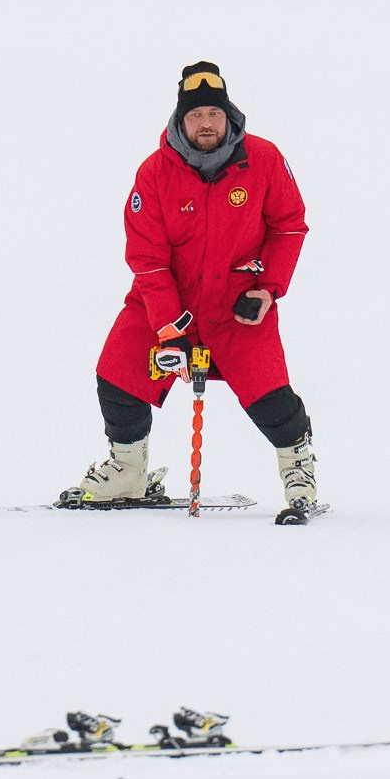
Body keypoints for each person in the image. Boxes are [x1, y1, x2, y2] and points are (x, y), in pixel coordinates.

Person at [65, 62, 317, 520]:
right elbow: (148, 257)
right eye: (196, 114)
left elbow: (288, 227)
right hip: (165, 306)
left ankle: (298, 469)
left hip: (239, 309)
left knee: (270, 396)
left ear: (229, 116)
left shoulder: (263, 160)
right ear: (181, 120)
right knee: (118, 375)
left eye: (214, 114)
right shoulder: (154, 173)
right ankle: (127, 470)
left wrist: (267, 289)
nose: (206, 123)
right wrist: (168, 326)